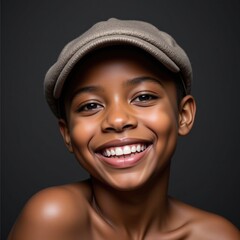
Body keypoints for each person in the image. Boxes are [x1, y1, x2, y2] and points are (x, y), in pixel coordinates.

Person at [8, 18, 239, 240]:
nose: (117, 120)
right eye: (90, 105)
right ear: (67, 133)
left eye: (144, 97)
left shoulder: (218, 236)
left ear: (183, 115)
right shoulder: (53, 218)